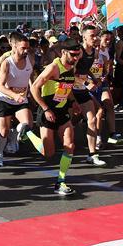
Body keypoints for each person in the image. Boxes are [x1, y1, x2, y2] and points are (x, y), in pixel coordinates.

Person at [28, 40, 81, 196]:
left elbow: (67, 86)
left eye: (78, 55)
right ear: (64, 52)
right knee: (48, 153)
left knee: (70, 144)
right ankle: (27, 133)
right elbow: (34, 88)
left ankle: (61, 181)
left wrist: (73, 102)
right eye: (73, 54)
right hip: (48, 110)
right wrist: (45, 109)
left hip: (62, 110)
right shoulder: (53, 68)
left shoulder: (72, 66)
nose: (76, 57)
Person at [0, 32, 33, 168]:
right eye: (23, 48)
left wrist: (32, 91)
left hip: (21, 99)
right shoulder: (7, 62)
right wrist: (14, 94)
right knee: (3, 131)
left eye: (27, 48)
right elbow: (0, 85)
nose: (26, 51)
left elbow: (30, 77)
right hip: (5, 99)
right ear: (14, 47)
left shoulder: (30, 59)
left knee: (27, 124)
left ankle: (14, 135)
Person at [72, 25, 106, 166]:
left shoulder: (93, 51)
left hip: (82, 89)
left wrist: (93, 77)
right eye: (92, 35)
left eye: (96, 35)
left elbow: (84, 69)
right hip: (70, 90)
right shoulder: (78, 52)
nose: (95, 38)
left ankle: (92, 154)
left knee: (91, 120)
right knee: (68, 122)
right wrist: (87, 82)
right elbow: (70, 73)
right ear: (84, 37)